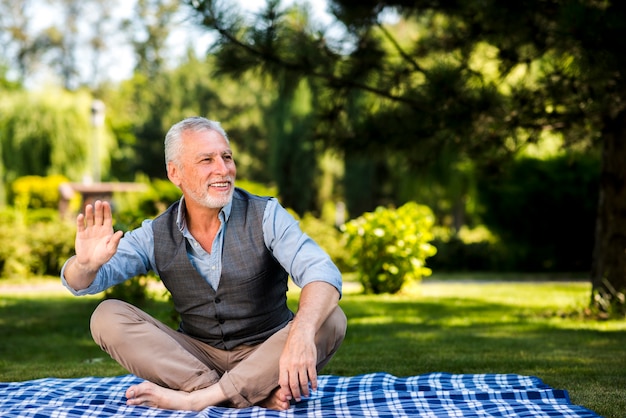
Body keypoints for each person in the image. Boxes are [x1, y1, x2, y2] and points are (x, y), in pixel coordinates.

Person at [61, 116, 347, 411]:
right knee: (106, 316)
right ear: (176, 173)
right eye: (206, 160)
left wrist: (300, 333)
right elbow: (83, 283)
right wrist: (85, 265)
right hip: (197, 358)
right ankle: (246, 394)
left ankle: (200, 399)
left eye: (226, 157)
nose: (223, 169)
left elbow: (322, 272)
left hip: (267, 352)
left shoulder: (266, 215)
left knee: (330, 319)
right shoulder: (155, 233)